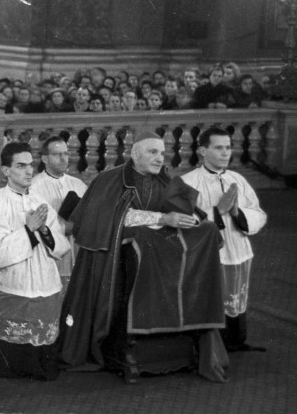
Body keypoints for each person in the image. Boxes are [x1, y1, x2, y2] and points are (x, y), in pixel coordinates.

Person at [58, 132, 229, 382]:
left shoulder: (164, 181)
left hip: (154, 260)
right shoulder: (109, 179)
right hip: (113, 262)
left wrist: (191, 219)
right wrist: (162, 218)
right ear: (135, 154)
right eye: (153, 152)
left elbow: (184, 211)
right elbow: (114, 219)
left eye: (162, 152)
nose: (160, 158)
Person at [0, 142, 68, 380]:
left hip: (43, 275)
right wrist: (28, 230)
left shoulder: (41, 200)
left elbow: (61, 246)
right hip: (12, 278)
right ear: (6, 171)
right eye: (21, 165)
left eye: (30, 165)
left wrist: (45, 231)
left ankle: (39, 364)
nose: (29, 171)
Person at [182, 127, 268, 352]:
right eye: (218, 147)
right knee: (211, 297)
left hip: (238, 248)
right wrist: (218, 211)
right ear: (202, 150)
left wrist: (238, 213)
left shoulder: (237, 179)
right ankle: (211, 346)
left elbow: (258, 214)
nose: (225, 153)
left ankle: (236, 341)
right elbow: (185, 221)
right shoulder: (189, 182)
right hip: (210, 252)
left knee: (236, 297)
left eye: (228, 147)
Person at [30, 136, 87, 291]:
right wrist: (66, 227)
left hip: (76, 252)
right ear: (45, 159)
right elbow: (35, 224)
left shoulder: (78, 184)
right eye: (57, 154)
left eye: (66, 153)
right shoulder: (34, 187)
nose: (63, 159)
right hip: (50, 256)